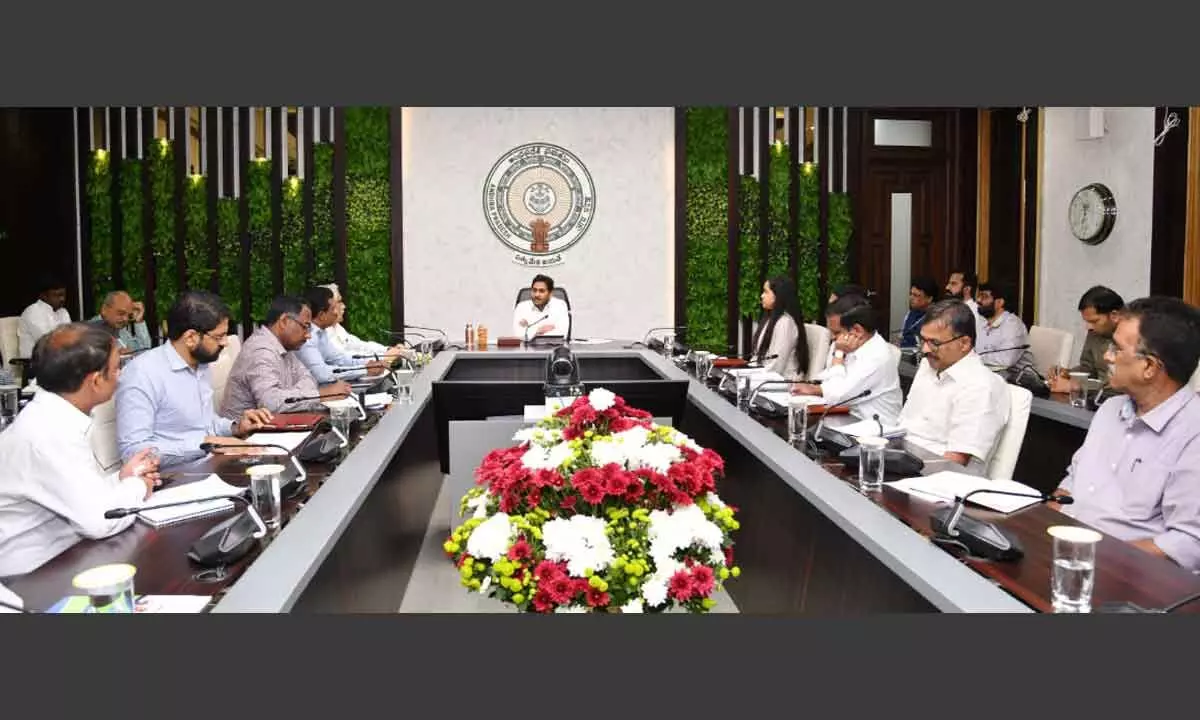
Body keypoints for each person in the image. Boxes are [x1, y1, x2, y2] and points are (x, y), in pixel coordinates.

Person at [0, 323, 160, 577]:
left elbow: (77, 493)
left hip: (62, 557)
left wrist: (122, 479)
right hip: (31, 578)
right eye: (117, 368)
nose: (121, 375)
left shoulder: (52, 414)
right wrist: (139, 486)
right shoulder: (48, 432)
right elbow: (101, 519)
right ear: (95, 381)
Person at [1053, 297, 1200, 572]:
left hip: (1129, 578)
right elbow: (1072, 483)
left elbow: (1188, 544)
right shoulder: (1110, 409)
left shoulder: (1193, 433)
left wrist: (1092, 555)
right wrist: (1039, 525)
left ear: (1149, 368)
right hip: (1066, 558)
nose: (1107, 357)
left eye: (1117, 349)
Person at [115, 291, 273, 469]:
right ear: (190, 337)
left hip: (210, 466)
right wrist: (206, 444)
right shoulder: (142, 374)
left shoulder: (200, 364)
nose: (225, 343)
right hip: (171, 480)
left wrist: (235, 428)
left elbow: (203, 425)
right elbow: (133, 452)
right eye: (218, 337)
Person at [898, 299, 1011, 474]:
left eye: (934, 343)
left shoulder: (981, 385)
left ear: (964, 343)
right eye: (923, 340)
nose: (925, 350)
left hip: (940, 483)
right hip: (902, 464)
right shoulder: (929, 366)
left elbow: (955, 462)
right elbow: (904, 426)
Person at [221, 296, 350, 418]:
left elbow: (308, 378)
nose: (308, 335)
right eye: (304, 327)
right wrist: (322, 395)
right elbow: (271, 403)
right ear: (283, 321)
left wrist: (290, 395)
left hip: (277, 425)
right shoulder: (260, 350)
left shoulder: (285, 347)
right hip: (247, 437)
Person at [791, 297, 903, 426]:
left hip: (875, 429)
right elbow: (828, 381)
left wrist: (839, 355)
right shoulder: (848, 343)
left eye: (837, 332)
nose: (833, 337)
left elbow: (837, 396)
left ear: (857, 330)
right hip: (847, 419)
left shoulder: (877, 355)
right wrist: (813, 387)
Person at [297, 286, 390, 384]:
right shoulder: (307, 336)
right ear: (321, 315)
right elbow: (322, 374)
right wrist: (365, 370)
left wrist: (370, 364)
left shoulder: (321, 332)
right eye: (333, 308)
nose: (336, 312)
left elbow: (339, 358)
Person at [1047, 285, 1125, 394]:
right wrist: (1068, 373)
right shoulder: (1095, 332)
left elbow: (1123, 386)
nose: (1089, 327)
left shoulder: (1132, 338)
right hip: (1096, 399)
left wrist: (1074, 386)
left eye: (1094, 321)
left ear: (1114, 316)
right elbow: (1088, 368)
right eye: (1087, 322)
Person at [318, 282, 409, 359]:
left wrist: (387, 350)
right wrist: (384, 356)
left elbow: (359, 345)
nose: (343, 306)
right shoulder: (322, 333)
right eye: (339, 302)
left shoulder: (337, 328)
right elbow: (344, 357)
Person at [750, 275, 808, 378]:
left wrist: (750, 376)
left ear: (778, 295)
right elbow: (758, 358)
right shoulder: (770, 319)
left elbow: (776, 366)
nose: (762, 296)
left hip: (782, 382)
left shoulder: (785, 323)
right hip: (765, 378)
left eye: (766, 292)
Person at [975, 281, 1035, 372]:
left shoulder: (1013, 325)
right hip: (990, 373)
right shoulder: (982, 323)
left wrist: (975, 359)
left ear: (1000, 302)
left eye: (984, 297)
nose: (978, 301)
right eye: (978, 296)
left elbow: (1006, 360)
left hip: (1016, 378)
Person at [17, 274, 72, 358]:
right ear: (43, 296)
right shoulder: (33, 312)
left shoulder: (63, 312)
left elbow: (71, 337)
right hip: (36, 363)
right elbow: (49, 343)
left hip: (59, 360)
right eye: (57, 295)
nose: (62, 299)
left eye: (63, 295)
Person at [512, 274, 570, 339]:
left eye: (541, 291)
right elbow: (517, 334)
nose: (537, 294)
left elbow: (562, 334)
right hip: (527, 348)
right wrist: (537, 331)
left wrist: (530, 331)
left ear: (550, 293)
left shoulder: (560, 305)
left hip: (553, 348)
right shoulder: (521, 307)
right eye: (534, 290)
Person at [898, 277, 938, 349]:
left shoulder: (936, 317)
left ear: (929, 299)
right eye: (911, 294)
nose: (911, 298)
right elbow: (901, 335)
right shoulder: (910, 313)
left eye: (916, 295)